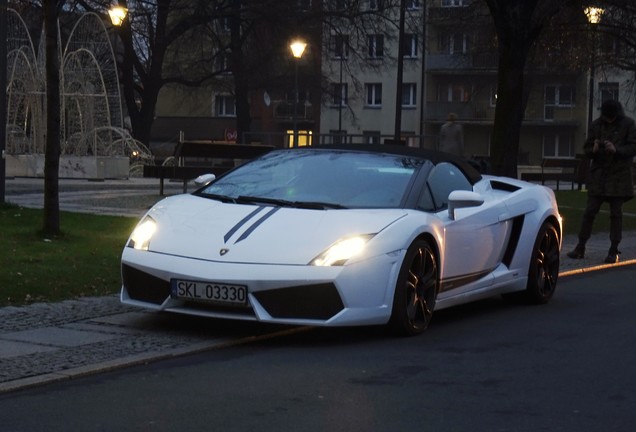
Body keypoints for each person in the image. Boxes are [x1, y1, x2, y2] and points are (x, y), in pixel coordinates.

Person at [567, 99, 636, 263]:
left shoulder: (628, 124)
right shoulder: (596, 124)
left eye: (611, 118)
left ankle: (613, 250)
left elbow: (633, 147)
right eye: (606, 118)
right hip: (599, 176)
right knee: (589, 212)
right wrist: (594, 149)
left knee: (616, 214)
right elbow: (587, 148)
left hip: (619, 176)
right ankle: (580, 246)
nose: (609, 121)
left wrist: (616, 149)